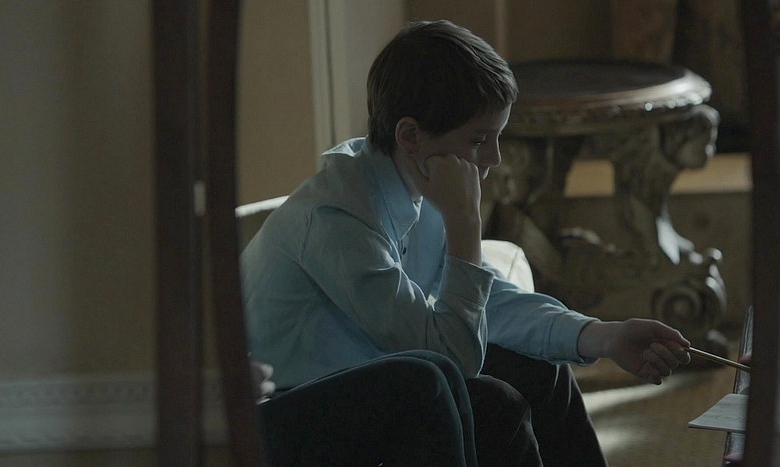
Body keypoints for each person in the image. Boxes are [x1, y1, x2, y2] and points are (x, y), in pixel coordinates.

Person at [241, 20, 691, 466]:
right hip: (283, 411)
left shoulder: (416, 182)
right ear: (410, 136)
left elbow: (485, 303)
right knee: (483, 401)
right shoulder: (338, 218)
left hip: (367, 377)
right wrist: (465, 223)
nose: (493, 158)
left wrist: (604, 336)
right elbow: (452, 358)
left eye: (497, 137)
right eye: (478, 140)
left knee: (541, 371)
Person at [251, 351, 490, 466]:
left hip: (258, 403)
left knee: (441, 366)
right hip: (243, 428)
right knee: (418, 383)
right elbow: (458, 347)